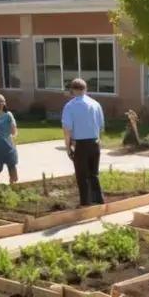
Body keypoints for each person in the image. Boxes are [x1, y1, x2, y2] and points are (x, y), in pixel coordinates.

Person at [62, 78, 106, 206]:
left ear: (73, 90)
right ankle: (98, 201)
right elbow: (101, 125)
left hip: (80, 144)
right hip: (94, 142)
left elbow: (67, 129)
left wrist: (67, 146)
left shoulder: (70, 106)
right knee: (94, 174)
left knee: (82, 176)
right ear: (85, 89)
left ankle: (86, 203)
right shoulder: (95, 104)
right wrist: (99, 140)